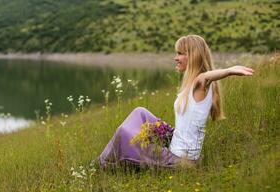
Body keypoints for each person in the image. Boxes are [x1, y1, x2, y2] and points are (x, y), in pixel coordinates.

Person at [98, 35, 254, 169]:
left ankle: (103, 164)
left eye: (180, 53)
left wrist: (228, 71)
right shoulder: (193, 83)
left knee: (124, 133)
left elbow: (207, 76)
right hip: (174, 143)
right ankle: (106, 160)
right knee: (140, 112)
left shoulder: (200, 83)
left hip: (181, 160)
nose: (176, 58)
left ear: (193, 56)